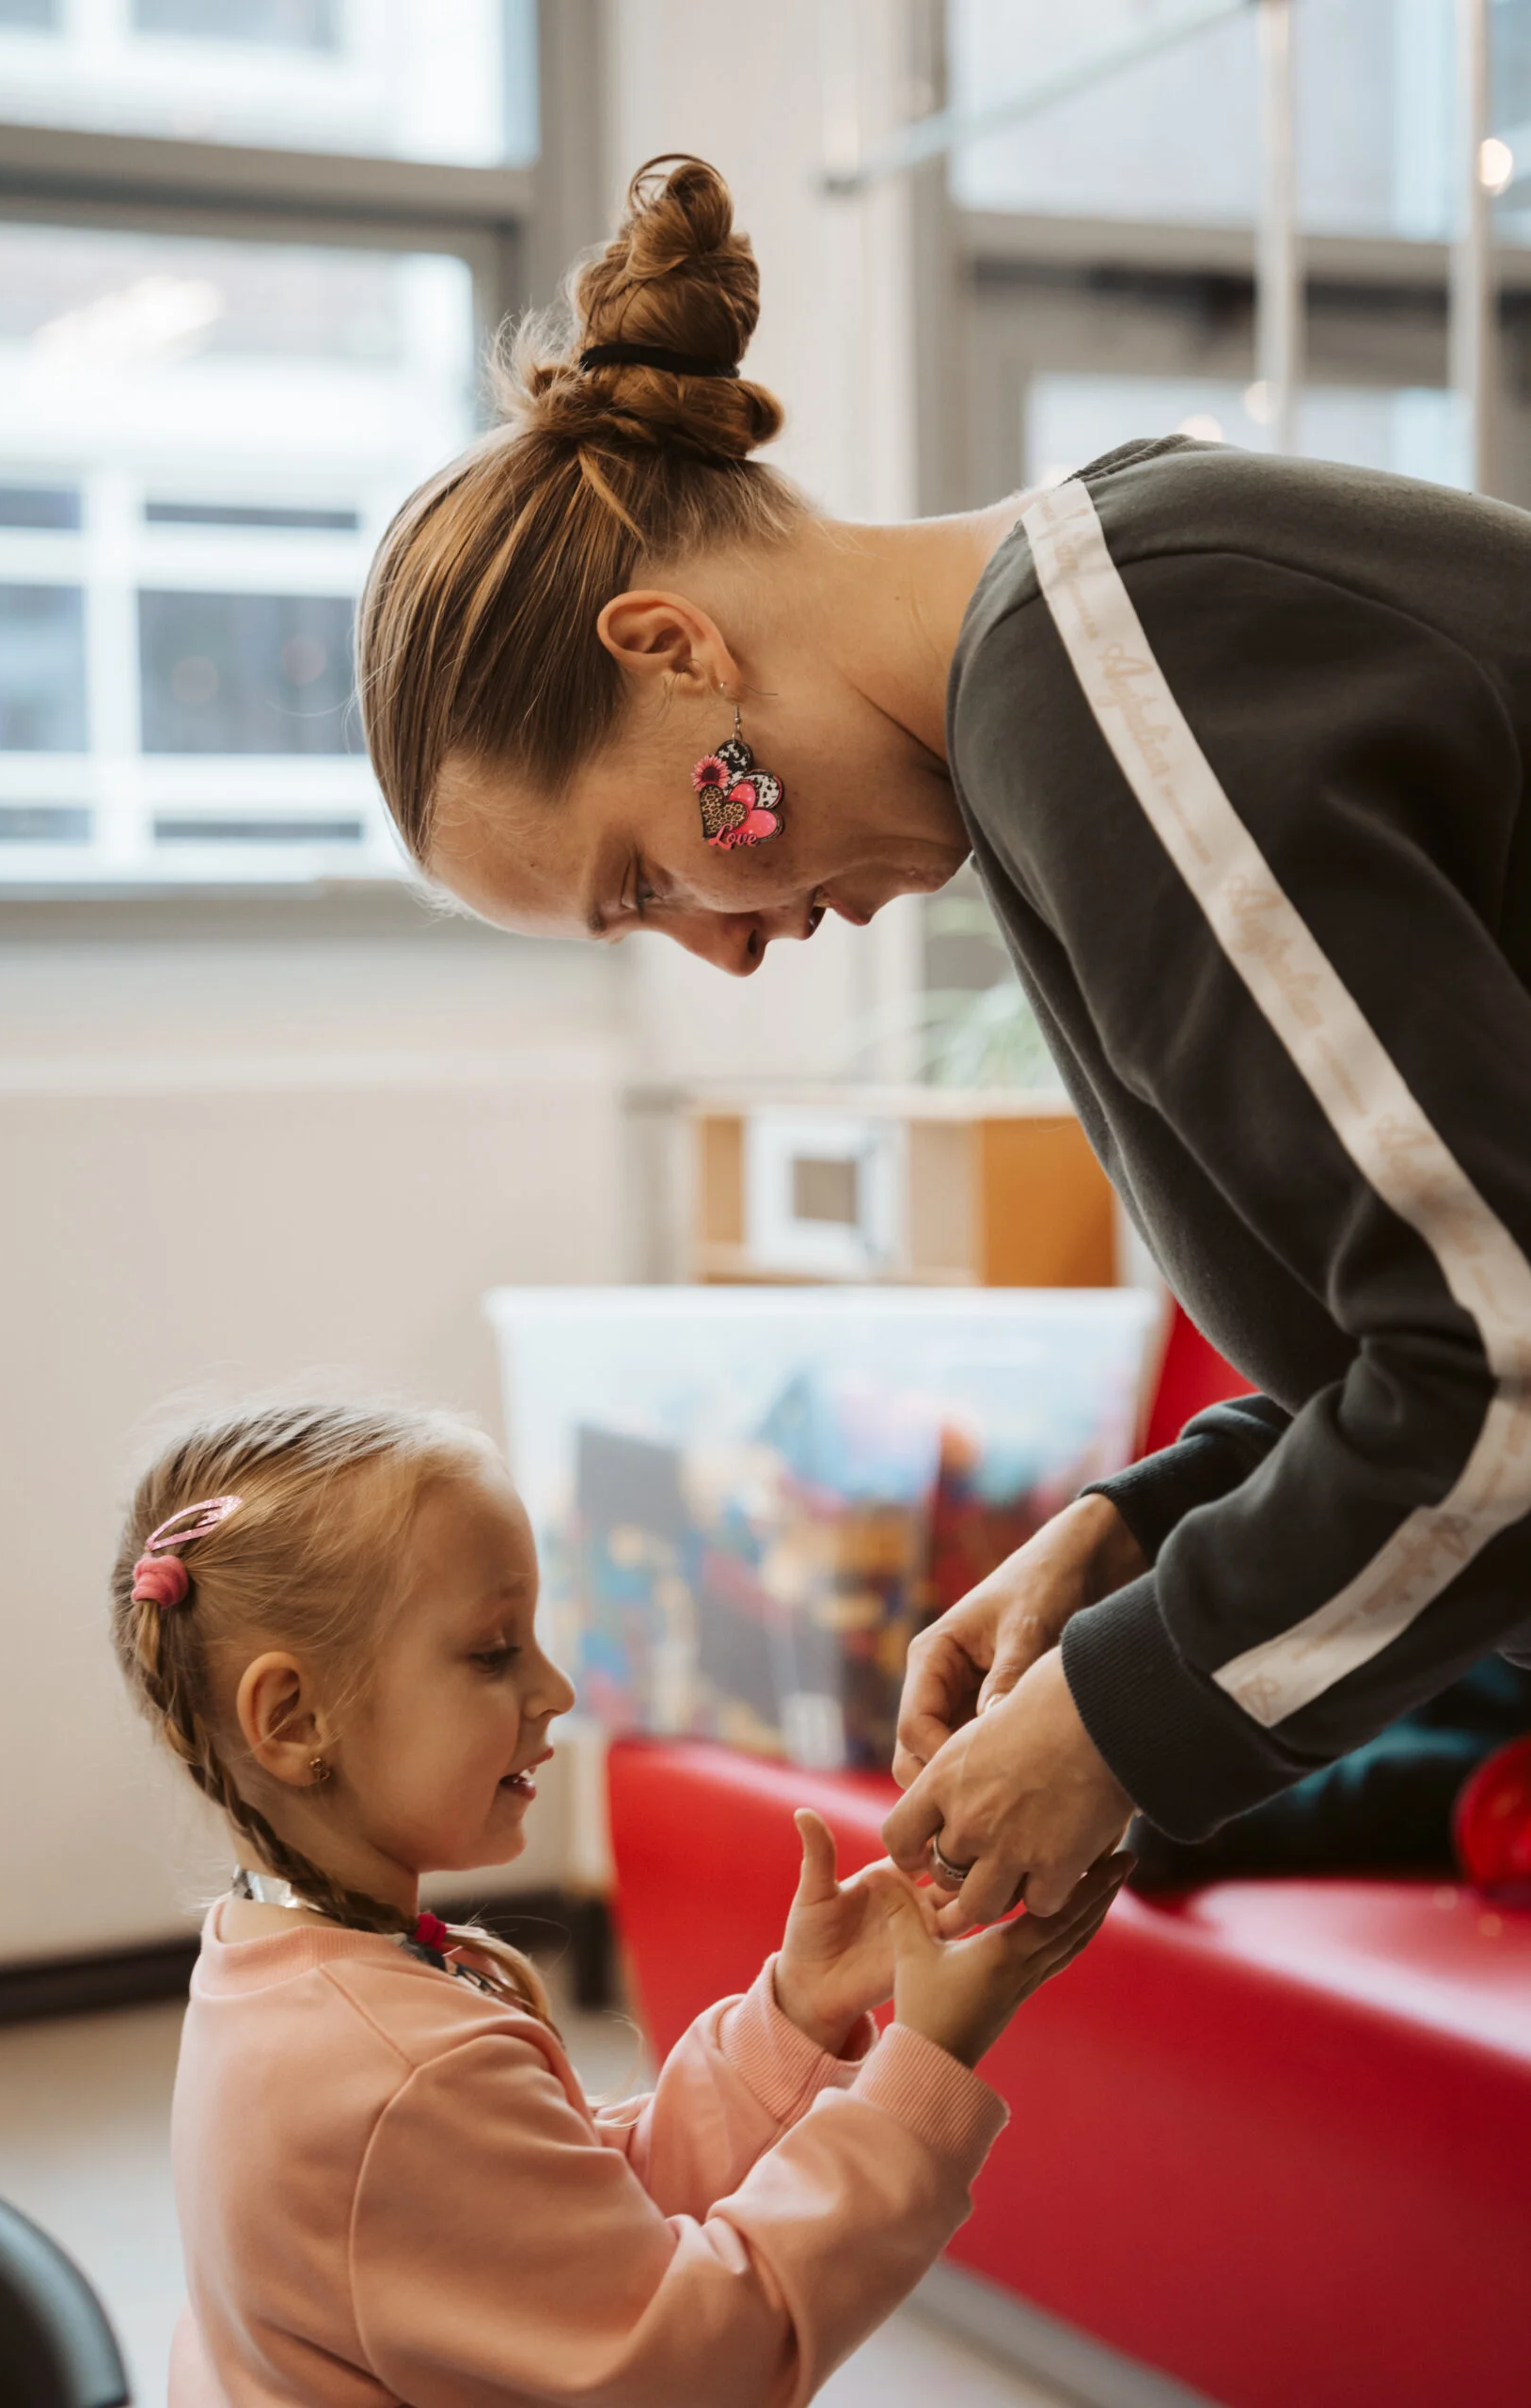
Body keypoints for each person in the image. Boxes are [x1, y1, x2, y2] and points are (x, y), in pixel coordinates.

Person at [356, 151, 1531, 1929]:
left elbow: (1501, 1358)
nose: (727, 952)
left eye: (650, 874)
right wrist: (1139, 1526)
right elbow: (1443, 1276)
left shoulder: (1099, 679)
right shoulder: (1070, 674)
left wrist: (1120, 1724)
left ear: (674, 650)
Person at [112, 1398, 1124, 2408]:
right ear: (292, 1719)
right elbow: (699, 2366)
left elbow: (583, 2220)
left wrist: (798, 2015)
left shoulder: (271, 1958)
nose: (555, 1686)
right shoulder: (398, 2072)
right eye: (493, 1651)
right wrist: (922, 2076)